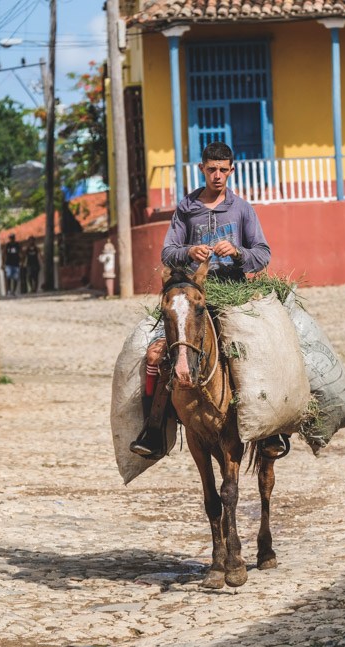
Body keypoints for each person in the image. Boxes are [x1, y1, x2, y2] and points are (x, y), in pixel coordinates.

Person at [130, 140, 283, 460]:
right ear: (202, 169)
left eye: (223, 170)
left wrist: (238, 252)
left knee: (262, 348)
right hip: (189, 297)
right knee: (156, 354)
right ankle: (153, 429)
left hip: (233, 295)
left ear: (231, 171)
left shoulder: (242, 209)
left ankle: (271, 430)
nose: (217, 175)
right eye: (211, 169)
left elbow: (262, 254)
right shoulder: (186, 208)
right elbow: (167, 252)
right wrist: (187, 251)